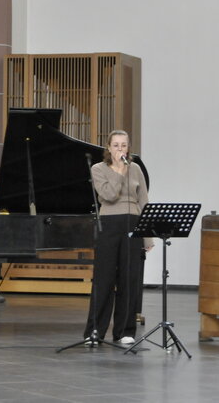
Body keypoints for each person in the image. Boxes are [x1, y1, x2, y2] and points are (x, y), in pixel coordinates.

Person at [83, 130, 153, 345]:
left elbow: (144, 201)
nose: (120, 149)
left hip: (133, 223)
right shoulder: (98, 169)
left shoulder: (136, 169)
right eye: (116, 145)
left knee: (129, 279)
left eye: (124, 145)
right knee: (104, 280)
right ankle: (94, 332)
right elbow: (109, 195)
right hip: (109, 224)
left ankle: (125, 331)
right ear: (108, 147)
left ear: (128, 147)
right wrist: (120, 172)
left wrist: (147, 236)